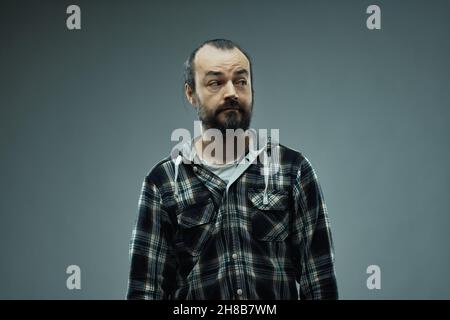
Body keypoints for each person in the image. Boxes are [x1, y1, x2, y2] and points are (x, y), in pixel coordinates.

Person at [126, 39, 338, 300]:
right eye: (216, 82)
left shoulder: (292, 170)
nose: (232, 92)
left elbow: (319, 283)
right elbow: (145, 291)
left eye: (241, 81)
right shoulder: (164, 182)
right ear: (190, 93)